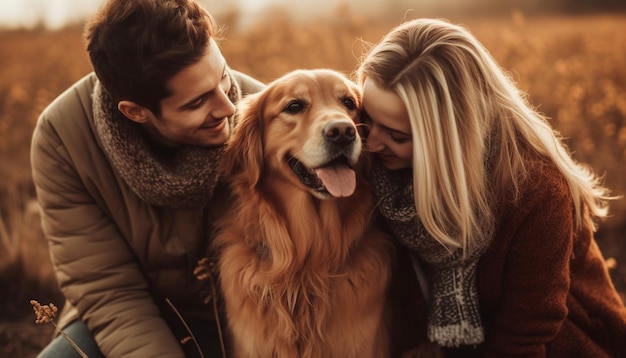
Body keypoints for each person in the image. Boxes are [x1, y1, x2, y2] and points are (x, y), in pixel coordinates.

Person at [356, 18, 626, 357]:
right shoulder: (377, 172)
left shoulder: (534, 190)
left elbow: (527, 334)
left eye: (398, 136)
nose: (373, 143)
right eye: (367, 120)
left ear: (450, 138)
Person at [30, 0, 264, 357]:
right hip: (129, 320)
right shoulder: (63, 138)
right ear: (136, 112)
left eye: (223, 77)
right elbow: (108, 291)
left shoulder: (262, 115)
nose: (229, 106)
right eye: (197, 102)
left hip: (248, 317)